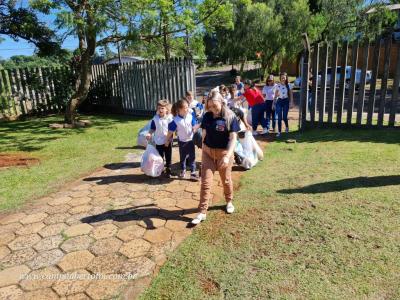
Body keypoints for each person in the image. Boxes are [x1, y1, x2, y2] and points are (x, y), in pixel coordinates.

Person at [191, 91, 240, 225]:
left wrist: (228, 156)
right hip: (208, 153)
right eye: (210, 106)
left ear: (222, 102)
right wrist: (203, 151)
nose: (212, 109)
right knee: (206, 183)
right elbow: (204, 134)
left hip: (224, 154)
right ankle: (202, 212)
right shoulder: (207, 116)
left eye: (214, 106)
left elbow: (233, 138)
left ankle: (229, 201)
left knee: (226, 180)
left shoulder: (230, 117)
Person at [165, 99, 199, 180]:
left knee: (192, 157)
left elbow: (194, 125)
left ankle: (193, 172)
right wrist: (167, 140)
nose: (188, 109)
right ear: (179, 110)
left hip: (190, 141)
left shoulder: (190, 116)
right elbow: (170, 132)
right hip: (182, 142)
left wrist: (194, 129)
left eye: (188, 107)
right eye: (185, 108)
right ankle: (183, 170)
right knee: (183, 157)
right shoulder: (175, 120)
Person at [146, 99, 173, 177]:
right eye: (159, 108)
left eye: (162, 108)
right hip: (158, 141)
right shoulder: (155, 119)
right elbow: (152, 128)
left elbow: (172, 130)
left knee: (168, 155)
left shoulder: (170, 118)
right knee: (160, 156)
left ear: (166, 109)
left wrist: (169, 139)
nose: (160, 110)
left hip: (167, 141)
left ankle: (168, 168)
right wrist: (149, 133)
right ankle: (161, 168)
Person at [275, 72, 294, 137]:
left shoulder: (289, 85)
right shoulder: (278, 85)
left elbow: (291, 94)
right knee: (279, 117)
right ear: (280, 78)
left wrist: (291, 102)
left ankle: (287, 127)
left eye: (284, 77)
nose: (283, 79)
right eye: (282, 77)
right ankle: (279, 132)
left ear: (286, 78)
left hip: (286, 101)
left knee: (284, 117)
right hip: (279, 101)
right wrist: (273, 103)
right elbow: (275, 95)